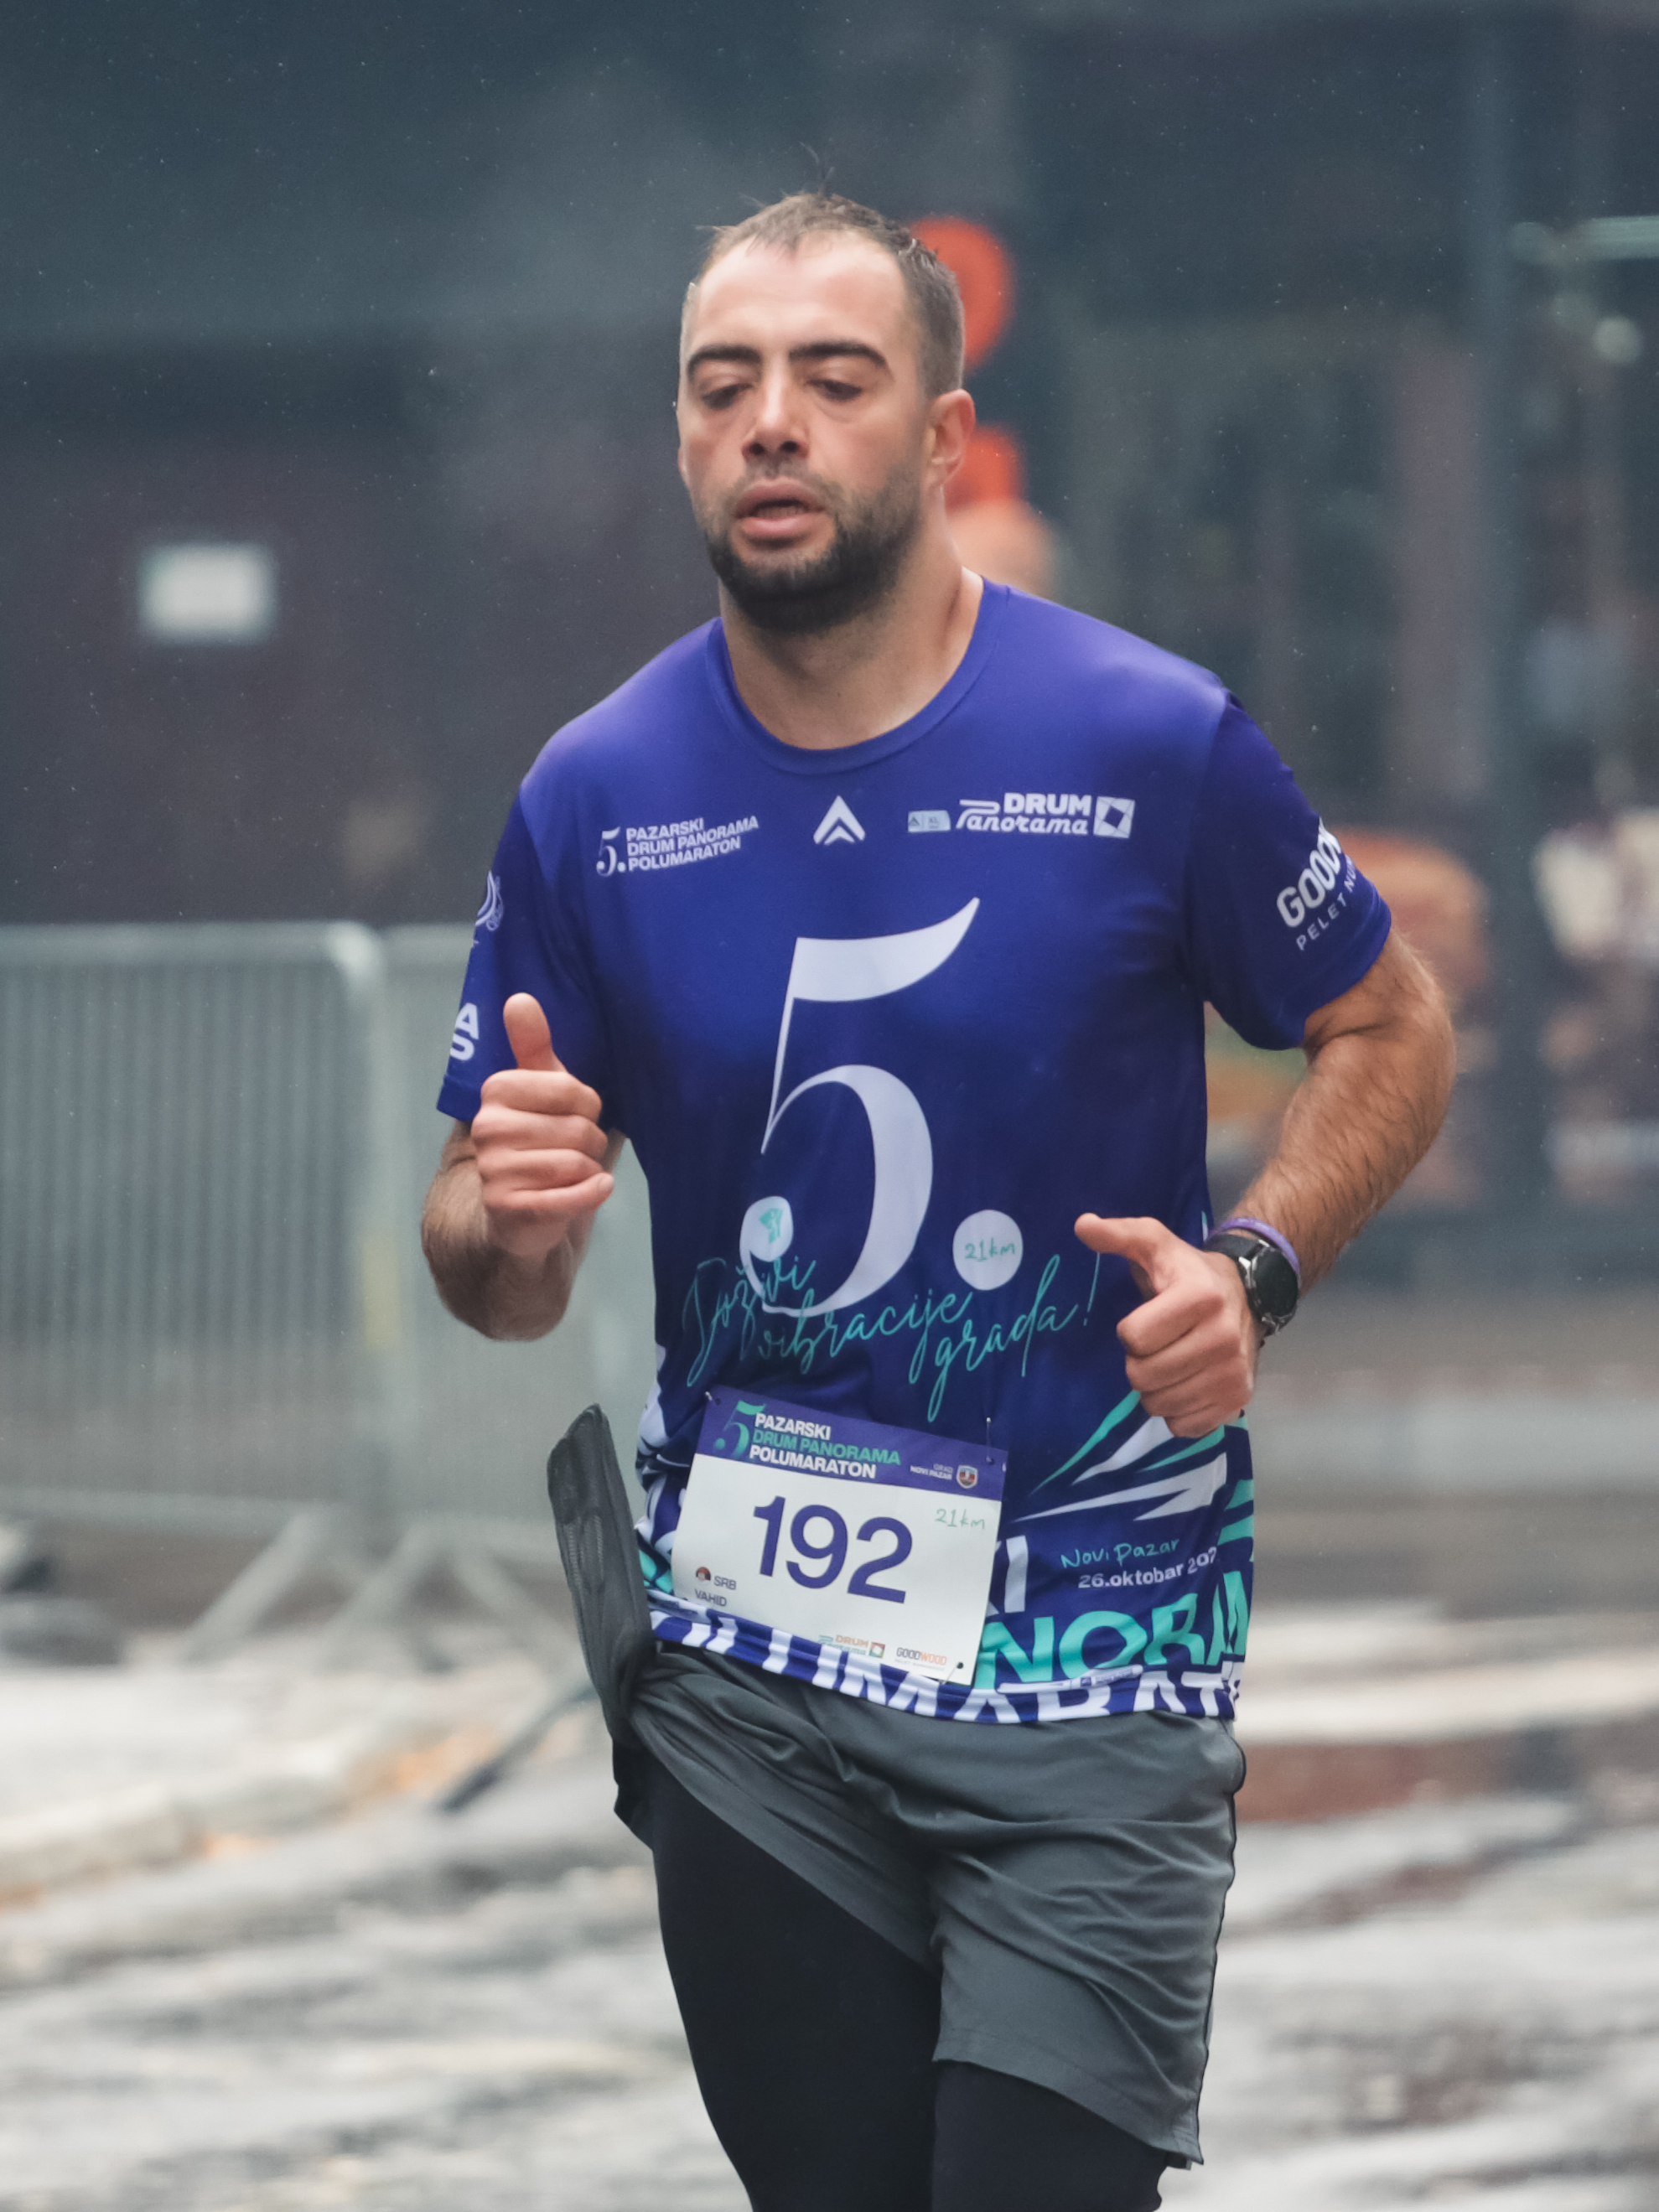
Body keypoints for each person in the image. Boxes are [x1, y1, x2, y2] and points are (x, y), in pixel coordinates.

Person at [422, 193, 1454, 2212]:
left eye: (835, 379)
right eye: (725, 385)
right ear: (683, 436)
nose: (772, 422)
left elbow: (1391, 1022)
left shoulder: (1147, 740)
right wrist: (507, 1218)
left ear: (946, 434)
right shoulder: (596, 795)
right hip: (755, 1665)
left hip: (1097, 1649)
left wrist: (1256, 1266)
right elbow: (491, 1271)